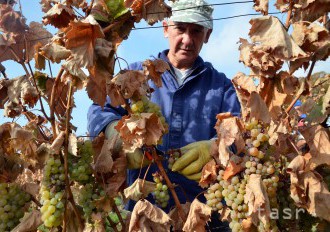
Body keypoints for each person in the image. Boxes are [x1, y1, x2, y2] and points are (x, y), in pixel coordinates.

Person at [87, 0, 240, 230]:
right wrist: (114, 133)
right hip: (144, 216)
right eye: (180, 28)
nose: (187, 39)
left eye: (197, 30)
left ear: (207, 35)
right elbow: (99, 110)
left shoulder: (222, 87)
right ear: (165, 28)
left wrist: (215, 147)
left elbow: (240, 133)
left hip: (205, 219)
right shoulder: (134, 75)